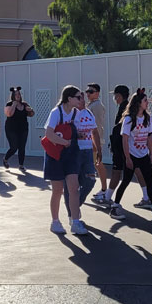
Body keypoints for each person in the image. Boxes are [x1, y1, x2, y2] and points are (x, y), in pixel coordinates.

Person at [112, 88, 152, 225]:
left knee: (149, 182)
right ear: (138, 103)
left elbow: (149, 137)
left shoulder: (147, 118)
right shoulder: (129, 119)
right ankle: (115, 206)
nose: (147, 103)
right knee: (126, 181)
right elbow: (124, 139)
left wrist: (151, 154)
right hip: (132, 155)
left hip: (144, 156)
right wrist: (128, 158)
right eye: (145, 100)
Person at [43, 86, 88, 235]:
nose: (80, 99)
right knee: (57, 190)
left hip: (71, 154)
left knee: (74, 188)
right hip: (55, 155)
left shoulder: (76, 112)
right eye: (77, 97)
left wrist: (78, 135)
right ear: (69, 98)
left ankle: (75, 222)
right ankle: (55, 222)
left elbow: (71, 131)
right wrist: (64, 142)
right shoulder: (56, 112)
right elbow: (49, 133)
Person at [63, 88, 102, 223]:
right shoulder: (71, 114)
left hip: (87, 151)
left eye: (83, 98)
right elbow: (65, 131)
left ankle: (75, 205)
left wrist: (98, 149)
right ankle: (71, 214)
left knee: (90, 180)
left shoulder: (89, 113)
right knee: (71, 184)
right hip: (74, 151)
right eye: (79, 98)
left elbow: (94, 132)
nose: (82, 100)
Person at [97, 85, 130, 214]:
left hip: (121, 147)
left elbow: (119, 130)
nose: (114, 98)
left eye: (115, 95)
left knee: (117, 171)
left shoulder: (124, 109)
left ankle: (108, 197)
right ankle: (146, 196)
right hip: (124, 146)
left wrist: (115, 145)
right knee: (131, 172)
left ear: (119, 96)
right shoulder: (126, 107)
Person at [2, 87, 33, 171]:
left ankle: (21, 165)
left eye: (19, 94)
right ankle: (5, 159)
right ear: (12, 96)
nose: (18, 96)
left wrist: (30, 110)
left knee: (22, 147)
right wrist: (14, 105)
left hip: (23, 129)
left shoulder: (24, 104)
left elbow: (31, 114)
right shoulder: (9, 104)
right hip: (11, 129)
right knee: (14, 147)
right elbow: (9, 114)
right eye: (16, 94)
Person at [85, 83, 107, 196]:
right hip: (90, 140)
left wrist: (95, 143)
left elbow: (97, 125)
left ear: (97, 93)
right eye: (87, 91)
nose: (88, 93)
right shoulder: (91, 105)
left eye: (91, 91)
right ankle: (104, 189)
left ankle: (104, 189)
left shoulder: (97, 106)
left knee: (98, 164)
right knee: (96, 164)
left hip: (93, 140)